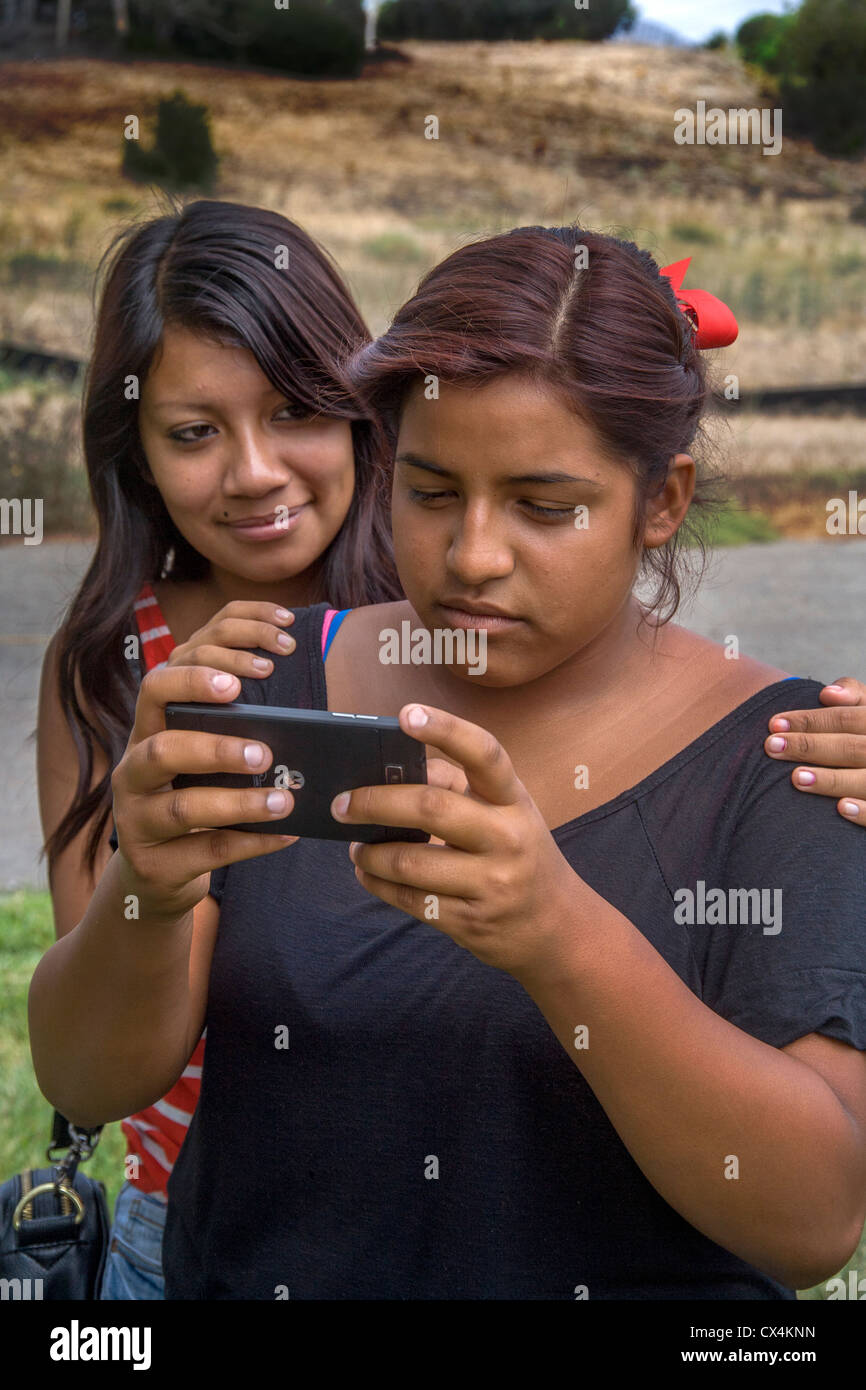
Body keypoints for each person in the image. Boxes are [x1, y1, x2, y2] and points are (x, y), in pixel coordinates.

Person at [33, 224, 866, 1299]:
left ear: (659, 500)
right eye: (430, 492)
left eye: (541, 505)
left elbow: (811, 1220)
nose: (472, 555)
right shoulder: (267, 678)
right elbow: (91, 1076)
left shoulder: (790, 757)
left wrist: (556, 933)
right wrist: (143, 890)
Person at [35, 199, 401, 1299]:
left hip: (447, 1223)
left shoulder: (457, 625)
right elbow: (98, 1066)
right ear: (135, 451)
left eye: (294, 409)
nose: (253, 472)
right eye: (194, 432)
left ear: (357, 408)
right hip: (186, 1241)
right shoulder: (112, 665)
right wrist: (155, 872)